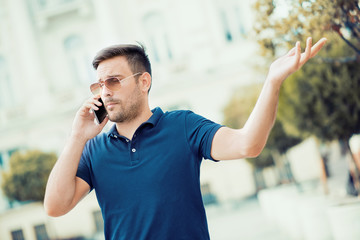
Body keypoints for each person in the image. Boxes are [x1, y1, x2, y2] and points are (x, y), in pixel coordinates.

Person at [44, 37, 327, 239]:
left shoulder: (182, 125)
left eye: (114, 81)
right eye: (99, 84)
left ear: (144, 82)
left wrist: (272, 81)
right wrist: (76, 137)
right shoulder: (94, 150)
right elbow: (55, 207)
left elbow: (248, 144)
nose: (105, 91)